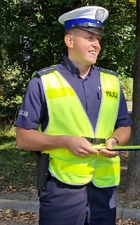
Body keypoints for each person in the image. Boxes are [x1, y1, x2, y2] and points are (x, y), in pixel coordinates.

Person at [15, 6, 132, 225]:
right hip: (62, 189)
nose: (96, 44)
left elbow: (124, 126)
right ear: (69, 41)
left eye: (98, 38)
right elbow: (23, 138)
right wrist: (65, 141)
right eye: (89, 38)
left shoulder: (112, 82)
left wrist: (115, 141)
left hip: (104, 190)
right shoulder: (43, 81)